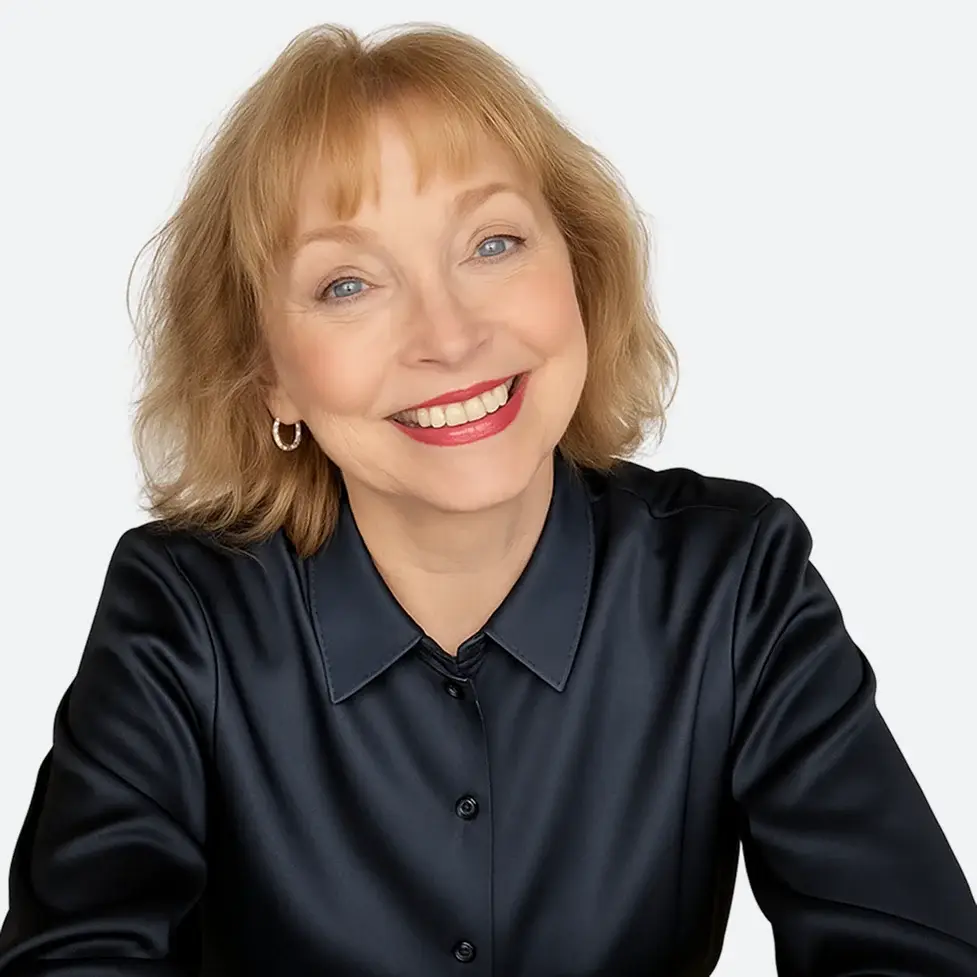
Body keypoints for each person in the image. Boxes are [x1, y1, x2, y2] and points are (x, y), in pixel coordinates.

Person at [0, 21, 975, 977]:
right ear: (269, 377)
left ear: (579, 271)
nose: (450, 334)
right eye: (347, 284)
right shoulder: (182, 615)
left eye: (493, 242)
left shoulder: (733, 579)